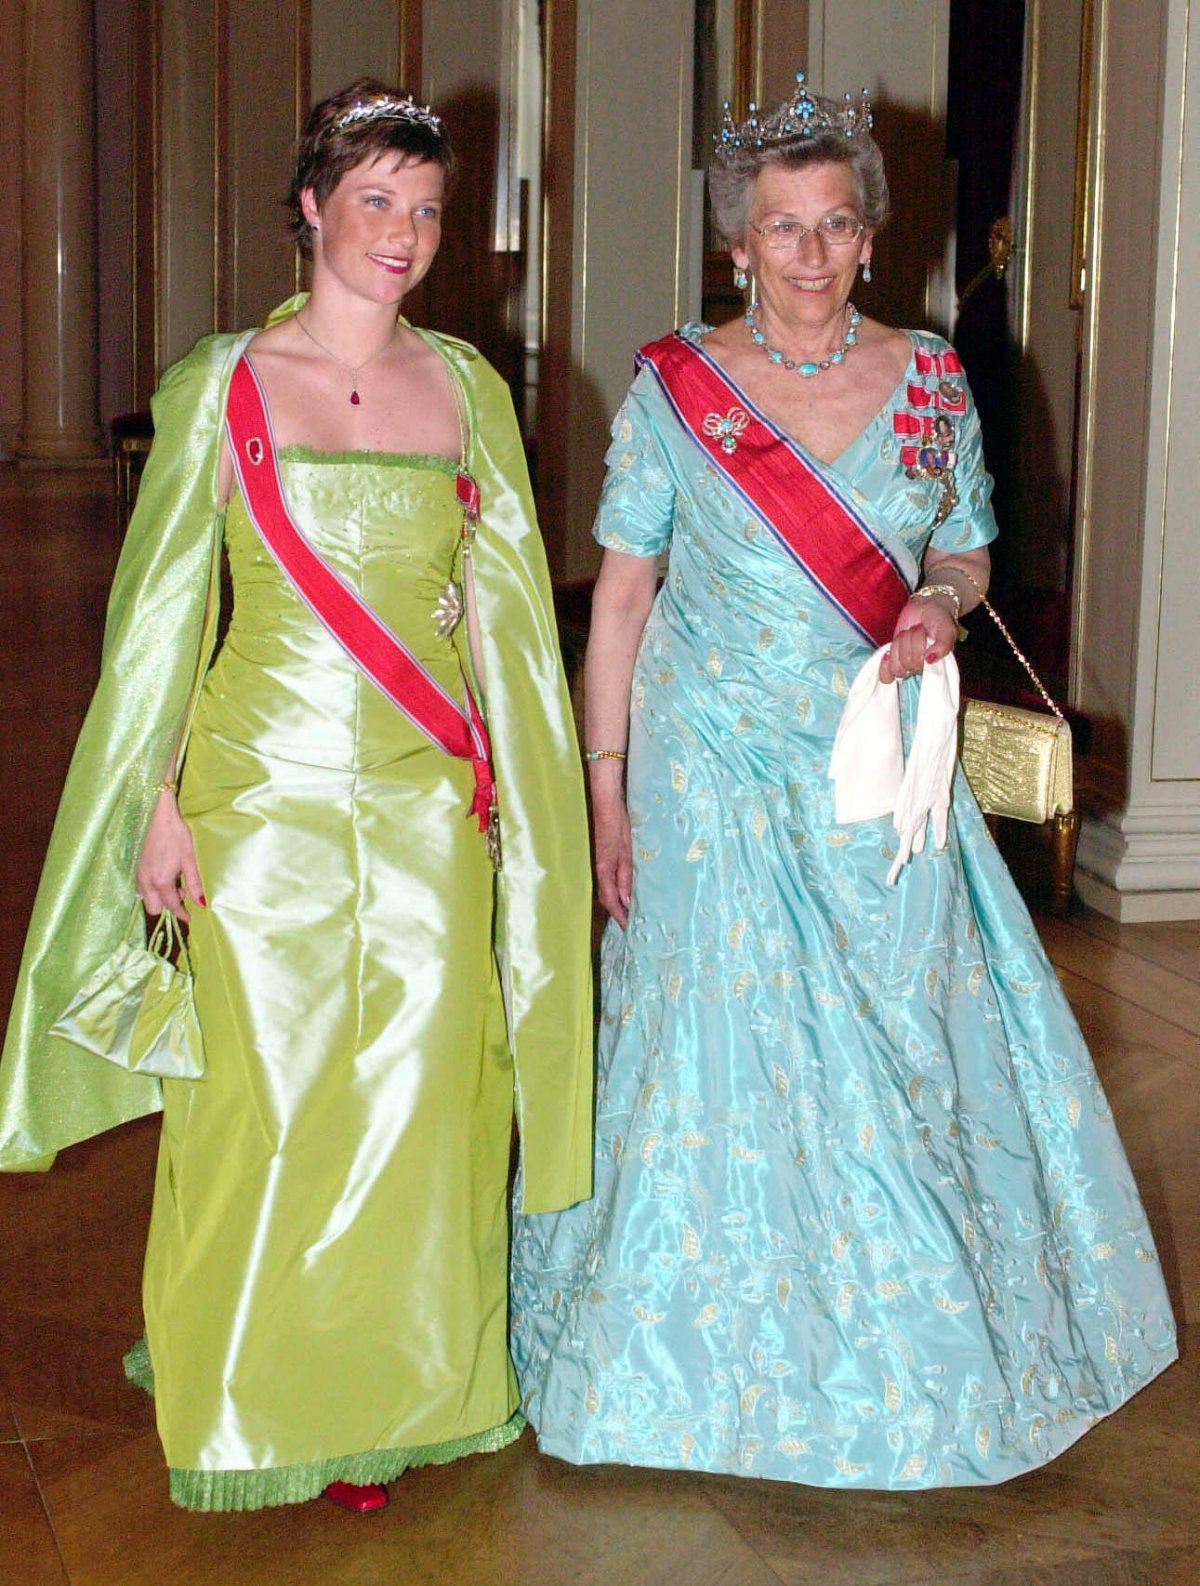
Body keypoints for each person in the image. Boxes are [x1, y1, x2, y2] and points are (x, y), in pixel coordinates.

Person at [510, 73, 1176, 1488]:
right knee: (708, 1050)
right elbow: (619, 606)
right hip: (705, 759)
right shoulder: (676, 390)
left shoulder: (931, 379)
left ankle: (894, 1359)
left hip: (869, 762)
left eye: (833, 225)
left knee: (890, 1044)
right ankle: (680, 1363)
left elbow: (971, 547)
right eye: (779, 228)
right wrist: (607, 792)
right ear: (736, 245)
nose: (809, 253)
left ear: (870, 236)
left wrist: (937, 600)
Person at [0, 79, 593, 1512]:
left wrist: (525, 804)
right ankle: (250, 1383)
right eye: (376, 201)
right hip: (253, 794)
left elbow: (509, 624)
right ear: (314, 205)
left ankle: (403, 1386)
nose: (402, 235)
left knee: (428, 1098)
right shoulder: (226, 385)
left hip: (426, 803)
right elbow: (156, 618)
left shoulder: (466, 389)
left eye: (429, 210)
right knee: (262, 1104)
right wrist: (154, 798)